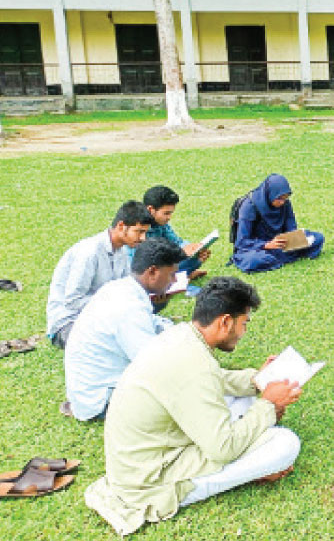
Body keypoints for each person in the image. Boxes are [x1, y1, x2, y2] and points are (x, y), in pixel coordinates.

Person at [84, 277, 303, 536]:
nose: (244, 332)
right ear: (225, 322)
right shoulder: (195, 365)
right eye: (244, 324)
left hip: (148, 456)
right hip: (152, 479)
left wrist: (258, 380)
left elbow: (215, 380)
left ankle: (250, 456)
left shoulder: (181, 337)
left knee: (244, 399)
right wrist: (268, 404)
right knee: (285, 444)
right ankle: (247, 473)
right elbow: (223, 448)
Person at [62, 238, 187, 421]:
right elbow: (151, 364)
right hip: (101, 400)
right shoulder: (128, 307)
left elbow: (154, 324)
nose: (174, 280)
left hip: (95, 389)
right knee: (182, 394)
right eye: (171, 274)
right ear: (152, 272)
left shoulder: (122, 288)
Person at [46, 201, 153, 349]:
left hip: (102, 317)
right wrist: (112, 305)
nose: (143, 238)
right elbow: (72, 301)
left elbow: (125, 289)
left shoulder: (122, 251)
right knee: (113, 345)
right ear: (121, 226)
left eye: (145, 233)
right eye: (139, 232)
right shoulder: (89, 252)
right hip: (69, 323)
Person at [232, 174, 325, 273]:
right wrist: (266, 245)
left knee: (317, 238)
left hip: (280, 244)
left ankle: (277, 258)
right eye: (279, 198)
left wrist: (293, 239)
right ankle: (280, 257)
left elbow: (291, 228)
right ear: (270, 194)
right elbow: (242, 241)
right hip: (256, 248)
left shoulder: (285, 203)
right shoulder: (250, 206)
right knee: (254, 260)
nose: (282, 202)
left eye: (285, 198)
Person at [143, 185, 212, 277]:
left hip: (162, 262)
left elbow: (177, 242)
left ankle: (181, 276)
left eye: (170, 213)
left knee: (195, 257)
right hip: (147, 269)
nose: (169, 218)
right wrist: (180, 253)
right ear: (151, 210)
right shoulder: (138, 228)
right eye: (166, 213)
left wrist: (194, 249)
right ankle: (183, 277)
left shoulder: (161, 223)